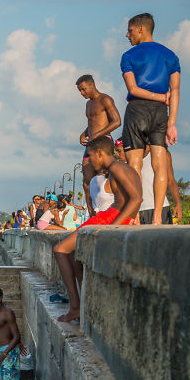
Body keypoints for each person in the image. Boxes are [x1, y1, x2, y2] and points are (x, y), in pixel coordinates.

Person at [53, 136, 142, 323]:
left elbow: (136, 199)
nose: (90, 162)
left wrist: (114, 225)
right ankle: (83, 304)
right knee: (74, 254)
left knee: (60, 250)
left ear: (100, 153)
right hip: (113, 216)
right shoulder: (125, 168)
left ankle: (75, 307)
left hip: (111, 216)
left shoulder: (116, 168)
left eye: (92, 156)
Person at [120, 12, 181, 225]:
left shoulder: (128, 56)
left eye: (129, 30)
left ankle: (135, 216)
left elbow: (133, 88)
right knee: (159, 164)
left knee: (134, 165)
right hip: (160, 113)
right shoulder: (170, 55)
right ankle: (156, 217)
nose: (127, 35)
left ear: (140, 29)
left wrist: (156, 96)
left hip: (137, 110)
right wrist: (172, 123)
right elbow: (175, 90)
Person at [76, 74, 122, 216]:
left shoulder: (105, 99)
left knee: (104, 177)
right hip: (90, 144)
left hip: (103, 142)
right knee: (87, 181)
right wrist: (85, 133)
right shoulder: (88, 104)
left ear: (92, 85)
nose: (82, 93)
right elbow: (93, 122)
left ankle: (112, 210)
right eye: (80, 91)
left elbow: (117, 121)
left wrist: (97, 134)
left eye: (83, 89)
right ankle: (92, 214)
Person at [139, 149, 182, 225]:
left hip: (159, 208)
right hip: (135, 210)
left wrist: (178, 203)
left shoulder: (163, 153)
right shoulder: (129, 155)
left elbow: (171, 180)